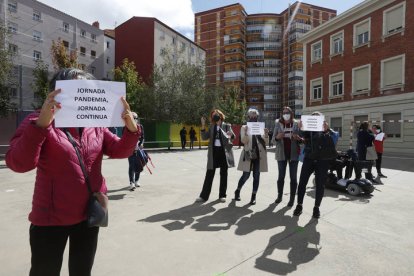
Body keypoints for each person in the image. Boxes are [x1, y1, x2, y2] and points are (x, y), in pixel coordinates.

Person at [5, 68, 141, 276]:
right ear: (58, 91)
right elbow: (18, 163)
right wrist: (42, 125)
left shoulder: (95, 126)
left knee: (82, 271)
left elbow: (121, 150)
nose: (82, 94)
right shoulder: (38, 121)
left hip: (88, 215)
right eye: (76, 89)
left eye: (86, 90)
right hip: (50, 219)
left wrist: (131, 130)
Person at [293, 111, 337, 219]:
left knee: (320, 184)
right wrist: (299, 129)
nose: (315, 120)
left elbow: (334, 139)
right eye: (313, 118)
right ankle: (299, 205)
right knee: (302, 182)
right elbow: (300, 137)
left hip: (323, 160)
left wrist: (326, 130)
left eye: (317, 118)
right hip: (309, 158)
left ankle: (316, 207)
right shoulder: (308, 129)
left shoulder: (327, 130)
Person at [196, 109, 235, 203]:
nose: (215, 116)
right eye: (213, 115)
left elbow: (233, 137)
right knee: (209, 173)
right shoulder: (212, 127)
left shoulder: (227, 126)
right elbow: (204, 137)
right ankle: (203, 196)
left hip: (224, 152)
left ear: (221, 116)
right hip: (213, 152)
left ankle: (222, 195)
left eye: (216, 114)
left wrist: (231, 135)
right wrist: (203, 125)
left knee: (223, 173)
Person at [234, 108, 269, 205]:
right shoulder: (244, 127)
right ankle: (237, 191)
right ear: (248, 116)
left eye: (255, 115)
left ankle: (253, 196)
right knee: (246, 175)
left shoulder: (261, 127)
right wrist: (245, 133)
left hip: (259, 154)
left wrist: (266, 134)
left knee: (256, 176)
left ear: (257, 116)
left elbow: (266, 142)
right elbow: (244, 141)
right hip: (249, 152)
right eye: (251, 115)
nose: (253, 117)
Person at [273, 106, 301, 207]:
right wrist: (277, 137)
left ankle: (292, 198)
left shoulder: (296, 123)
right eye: (284, 112)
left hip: (293, 154)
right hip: (281, 154)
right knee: (281, 176)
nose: (285, 114)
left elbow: (301, 139)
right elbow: (273, 140)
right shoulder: (278, 123)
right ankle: (279, 196)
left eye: (287, 112)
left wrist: (297, 138)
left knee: (293, 178)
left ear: (291, 113)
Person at [128, 113, 145, 190]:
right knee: (131, 166)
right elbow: (124, 139)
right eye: (133, 118)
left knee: (138, 165)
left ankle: (137, 180)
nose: (134, 119)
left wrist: (141, 144)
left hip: (139, 150)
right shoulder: (127, 127)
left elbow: (143, 137)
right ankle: (131, 182)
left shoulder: (140, 126)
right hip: (130, 150)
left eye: (135, 118)